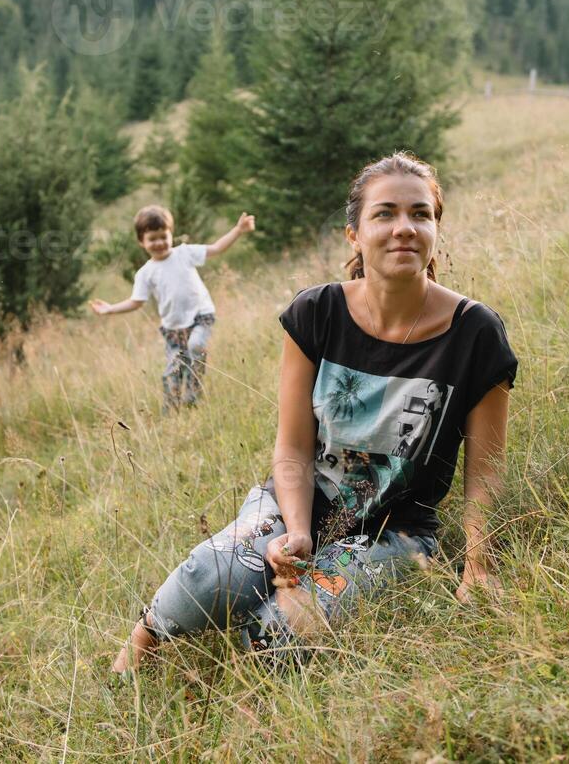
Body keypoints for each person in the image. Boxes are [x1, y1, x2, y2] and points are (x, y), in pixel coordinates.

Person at [112, 152, 517, 673]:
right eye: (385, 213)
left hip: (393, 533)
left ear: (436, 228)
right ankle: (139, 646)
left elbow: (485, 471)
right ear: (353, 234)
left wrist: (478, 566)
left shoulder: (475, 333)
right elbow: (294, 443)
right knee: (212, 576)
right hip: (295, 502)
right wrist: (298, 533)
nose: (404, 229)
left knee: (284, 633)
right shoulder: (316, 313)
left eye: (421, 214)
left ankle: (257, 647)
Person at [91, 205, 255, 412]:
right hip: (173, 329)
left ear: (170, 234)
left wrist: (238, 230)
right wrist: (111, 309)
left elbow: (216, 248)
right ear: (141, 242)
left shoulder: (184, 253)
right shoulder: (145, 273)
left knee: (196, 346)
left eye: (163, 236)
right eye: (152, 239)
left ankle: (193, 398)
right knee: (173, 371)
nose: (159, 243)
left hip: (201, 316)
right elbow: (136, 302)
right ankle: (171, 412)